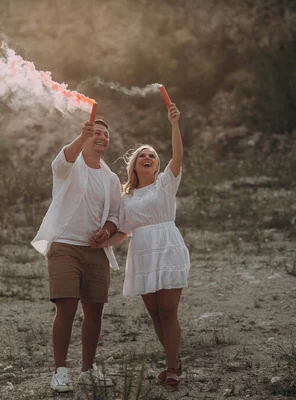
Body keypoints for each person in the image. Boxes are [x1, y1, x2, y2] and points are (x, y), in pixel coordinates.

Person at [93, 103, 190, 387]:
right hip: (143, 254)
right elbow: (123, 232)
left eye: (152, 156)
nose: (147, 157)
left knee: (169, 311)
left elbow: (178, 156)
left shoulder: (165, 185)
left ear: (157, 165)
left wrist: (174, 124)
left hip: (167, 247)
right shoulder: (126, 198)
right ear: (134, 164)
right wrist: (102, 243)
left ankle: (171, 368)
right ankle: (174, 359)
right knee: (156, 314)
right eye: (142, 155)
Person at [31, 118, 122, 392]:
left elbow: (115, 215)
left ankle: (87, 370)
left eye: (105, 134)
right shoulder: (69, 166)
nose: (101, 138)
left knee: (95, 311)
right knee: (67, 307)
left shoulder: (111, 178)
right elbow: (60, 162)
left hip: (96, 251)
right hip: (65, 246)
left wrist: (106, 232)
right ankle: (60, 371)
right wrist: (79, 138)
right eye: (96, 133)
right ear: (85, 136)